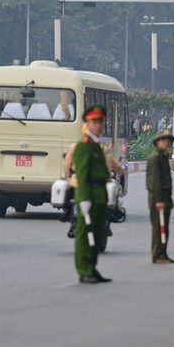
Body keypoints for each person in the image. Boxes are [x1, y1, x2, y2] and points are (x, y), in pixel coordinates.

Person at [72, 105, 112, 284]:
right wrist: (84, 199)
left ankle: (93, 267)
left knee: (96, 234)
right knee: (84, 235)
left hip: (100, 195)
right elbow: (81, 175)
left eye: (100, 122)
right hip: (88, 196)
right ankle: (84, 269)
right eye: (94, 122)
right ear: (86, 124)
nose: (98, 126)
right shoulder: (83, 147)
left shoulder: (96, 147)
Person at [147, 129, 174, 264]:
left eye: (168, 140)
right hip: (157, 197)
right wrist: (158, 200)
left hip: (164, 196)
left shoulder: (163, 156)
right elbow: (155, 181)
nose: (166, 142)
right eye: (163, 140)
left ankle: (163, 253)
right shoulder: (155, 158)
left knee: (165, 227)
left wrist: (169, 199)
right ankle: (157, 255)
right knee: (158, 227)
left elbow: (167, 180)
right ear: (158, 142)